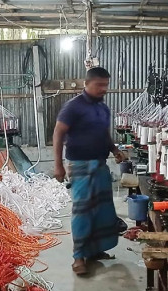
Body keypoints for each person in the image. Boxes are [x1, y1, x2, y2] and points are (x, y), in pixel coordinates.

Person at [53, 67, 126, 276]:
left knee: (102, 210)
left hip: (100, 165)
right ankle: (78, 257)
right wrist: (58, 164)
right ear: (86, 84)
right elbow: (58, 133)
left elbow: (104, 133)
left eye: (106, 85)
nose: (103, 89)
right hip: (80, 166)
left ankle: (94, 251)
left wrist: (114, 150)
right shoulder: (73, 107)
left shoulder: (102, 108)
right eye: (99, 85)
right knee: (83, 212)